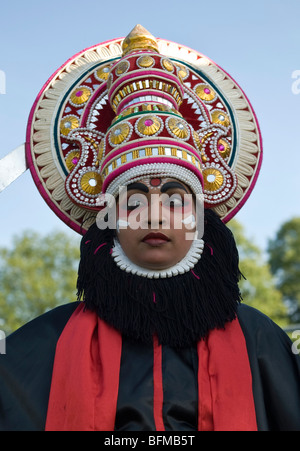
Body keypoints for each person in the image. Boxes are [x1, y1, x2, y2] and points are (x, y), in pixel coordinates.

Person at [1, 25, 300, 431]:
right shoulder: (39, 348)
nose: (155, 215)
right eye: (133, 199)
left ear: (200, 214)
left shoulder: (262, 343)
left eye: (176, 199)